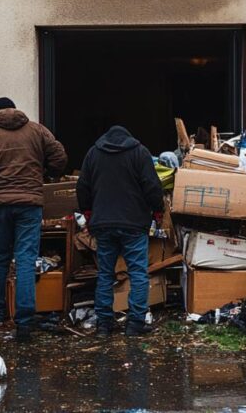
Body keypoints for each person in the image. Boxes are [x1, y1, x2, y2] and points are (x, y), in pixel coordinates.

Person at [0, 97, 67, 341]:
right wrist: (44, 170)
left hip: (1, 205)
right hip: (30, 204)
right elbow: (60, 158)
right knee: (26, 260)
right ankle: (25, 322)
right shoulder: (36, 130)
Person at [76, 125, 164, 337]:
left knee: (105, 274)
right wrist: (158, 211)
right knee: (138, 274)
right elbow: (152, 186)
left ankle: (104, 325)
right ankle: (135, 323)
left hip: (103, 224)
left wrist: (88, 213)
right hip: (133, 223)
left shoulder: (93, 153)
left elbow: (82, 187)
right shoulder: (139, 152)